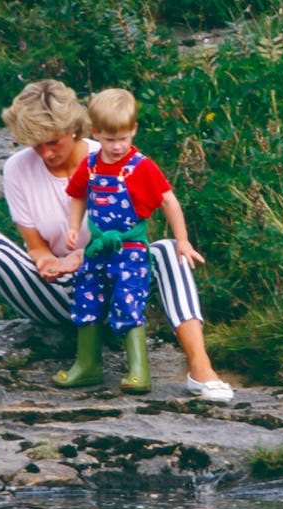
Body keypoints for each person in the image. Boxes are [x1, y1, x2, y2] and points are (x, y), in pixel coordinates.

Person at [0, 79, 234, 407]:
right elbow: (35, 245)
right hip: (56, 295)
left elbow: (134, 233)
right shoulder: (17, 168)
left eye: (53, 142)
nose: (46, 153)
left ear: (76, 129)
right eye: (35, 145)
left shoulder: (114, 154)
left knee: (169, 249)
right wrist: (46, 262)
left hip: (116, 287)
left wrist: (82, 255)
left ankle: (201, 369)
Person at [55, 88, 201, 395]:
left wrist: (182, 241)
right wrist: (72, 226)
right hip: (97, 249)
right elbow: (79, 194)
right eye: (109, 139)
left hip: (130, 249)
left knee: (128, 300)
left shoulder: (141, 166)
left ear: (133, 130)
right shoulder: (91, 165)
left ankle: (139, 371)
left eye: (123, 138)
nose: (118, 146)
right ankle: (87, 366)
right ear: (96, 133)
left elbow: (169, 201)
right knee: (87, 295)